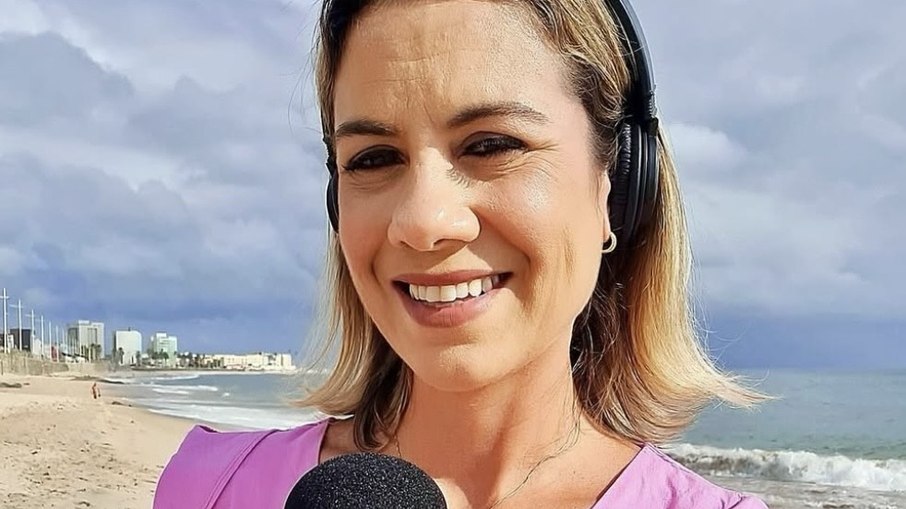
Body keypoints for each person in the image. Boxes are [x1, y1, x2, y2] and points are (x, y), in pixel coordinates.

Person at [155, 0, 769, 507]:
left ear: (618, 187)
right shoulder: (209, 488)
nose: (423, 222)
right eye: (373, 158)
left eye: (491, 144)